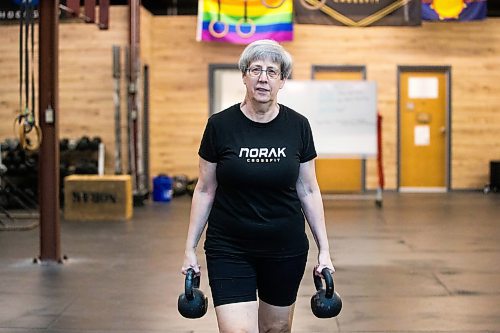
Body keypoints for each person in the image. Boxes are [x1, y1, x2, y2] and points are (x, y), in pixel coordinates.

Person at [181, 39, 335, 333]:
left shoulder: (298, 126)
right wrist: (189, 248)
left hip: (284, 246)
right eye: (255, 70)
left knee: (275, 329)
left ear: (282, 81)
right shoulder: (220, 125)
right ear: (244, 76)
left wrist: (324, 249)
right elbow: (204, 189)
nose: (263, 78)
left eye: (272, 72)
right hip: (229, 246)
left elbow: (309, 190)